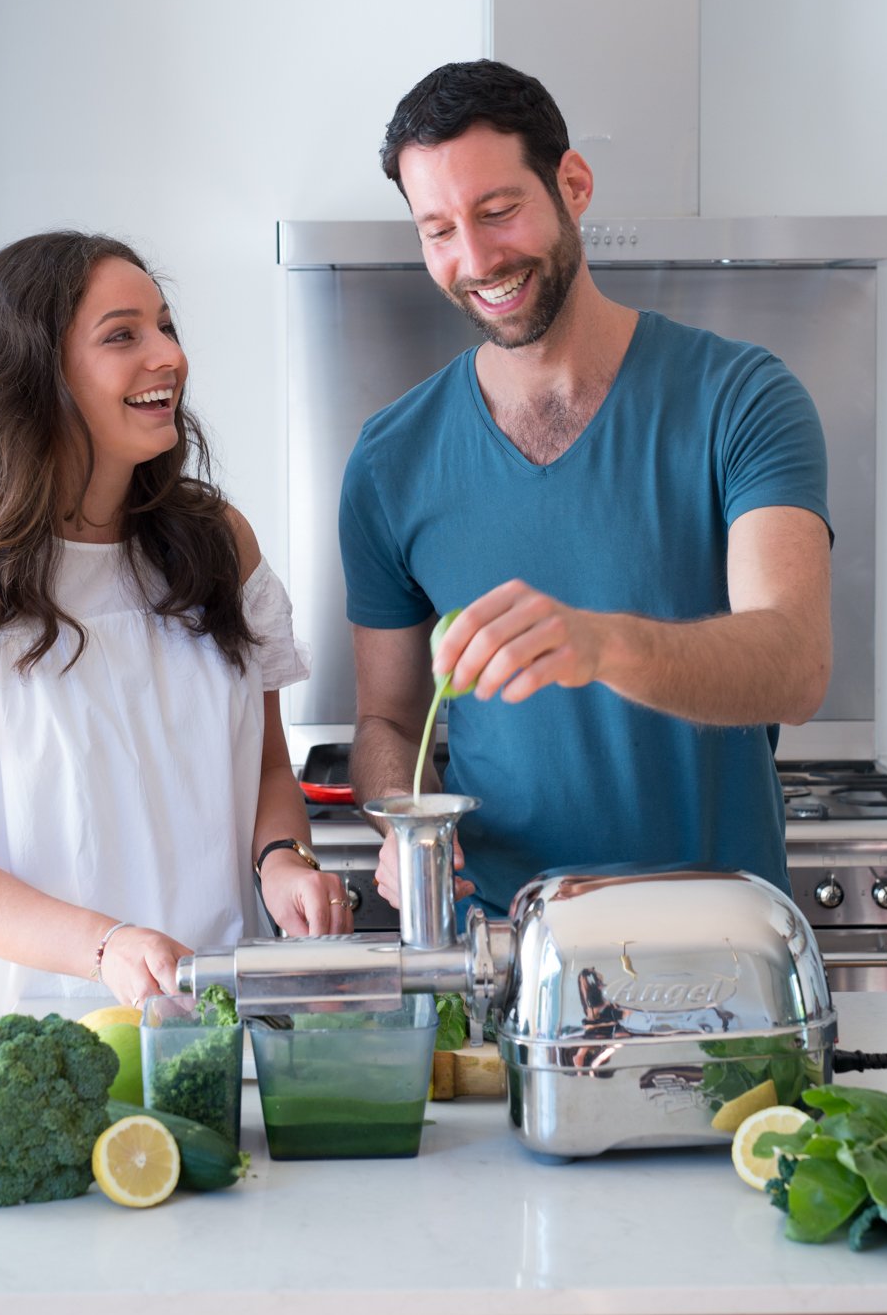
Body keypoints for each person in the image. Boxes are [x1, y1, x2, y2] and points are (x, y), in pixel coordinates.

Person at [0, 231, 350, 1211]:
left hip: (199, 1048)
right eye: (123, 335)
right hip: (20, 1064)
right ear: (30, 374)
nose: (168, 356)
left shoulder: (215, 546)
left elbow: (264, 771)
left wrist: (283, 860)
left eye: (165, 326)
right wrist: (105, 945)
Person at [339, 59, 833, 919]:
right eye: (438, 230)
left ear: (572, 185)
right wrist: (404, 825)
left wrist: (597, 644)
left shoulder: (740, 398)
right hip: (503, 953)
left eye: (497, 211)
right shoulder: (389, 459)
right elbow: (385, 722)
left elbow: (794, 665)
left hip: (719, 944)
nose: (475, 259)